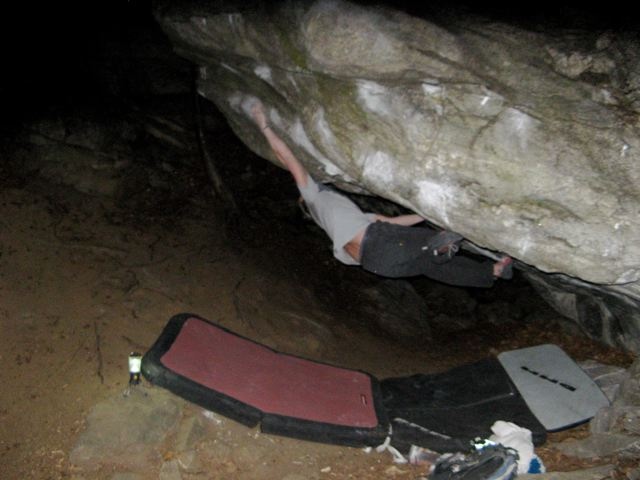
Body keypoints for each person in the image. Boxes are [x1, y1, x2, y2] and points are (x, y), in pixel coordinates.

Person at [250, 101, 512, 288]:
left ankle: (490, 271)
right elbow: (287, 158)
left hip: (382, 266)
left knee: (434, 267)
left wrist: (421, 215)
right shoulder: (313, 198)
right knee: (430, 246)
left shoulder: (348, 220)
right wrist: (264, 125)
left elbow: (391, 222)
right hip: (381, 245)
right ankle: (440, 245)